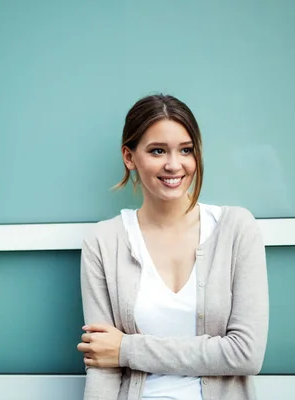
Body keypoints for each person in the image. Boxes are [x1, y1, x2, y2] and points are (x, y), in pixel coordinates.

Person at [76, 94, 269, 400]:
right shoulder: (103, 242)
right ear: (129, 157)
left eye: (186, 150)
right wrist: (114, 354)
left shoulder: (236, 229)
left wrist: (127, 349)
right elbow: (102, 363)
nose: (174, 165)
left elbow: (246, 353)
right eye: (157, 151)